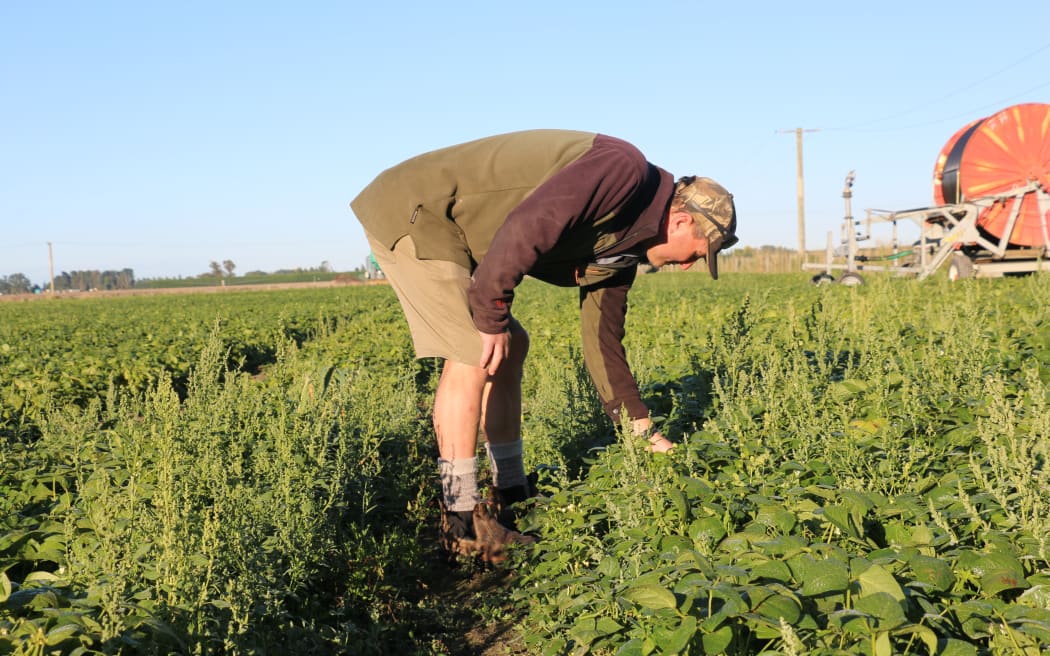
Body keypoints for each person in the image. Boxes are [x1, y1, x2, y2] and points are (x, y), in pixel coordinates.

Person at [350, 129, 737, 558]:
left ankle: (512, 492)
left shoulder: (623, 251)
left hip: (460, 231)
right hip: (421, 210)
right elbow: (531, 223)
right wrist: (492, 310)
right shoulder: (622, 170)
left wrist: (641, 428)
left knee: (513, 344)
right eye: (700, 253)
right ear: (682, 221)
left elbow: (603, 342)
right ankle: (460, 522)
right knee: (474, 350)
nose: (690, 266)